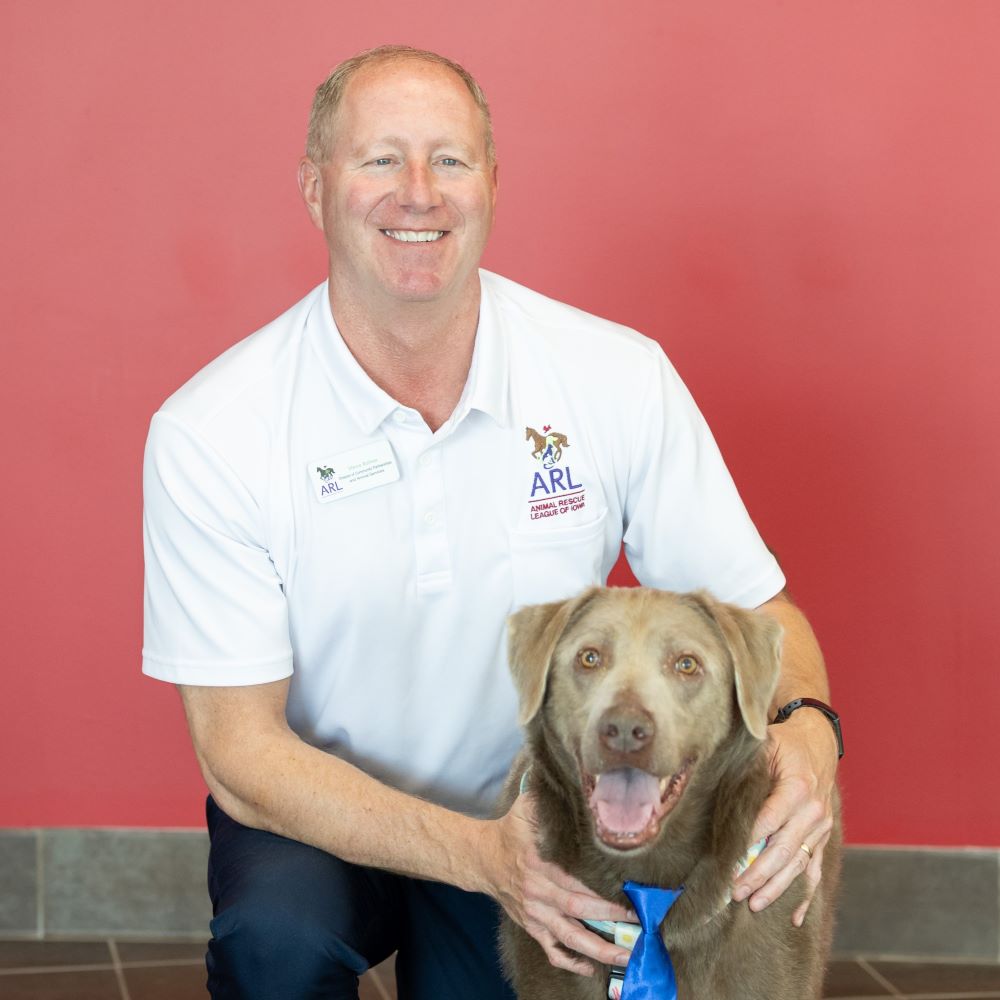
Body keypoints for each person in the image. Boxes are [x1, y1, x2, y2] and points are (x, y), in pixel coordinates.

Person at [142, 44, 839, 1000]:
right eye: (380, 159)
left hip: (542, 810)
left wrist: (809, 729)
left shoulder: (615, 376)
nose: (418, 192)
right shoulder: (212, 430)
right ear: (315, 187)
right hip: (318, 815)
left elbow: (763, 612)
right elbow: (241, 753)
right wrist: (478, 857)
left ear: (493, 187)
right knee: (276, 944)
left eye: (451, 160)